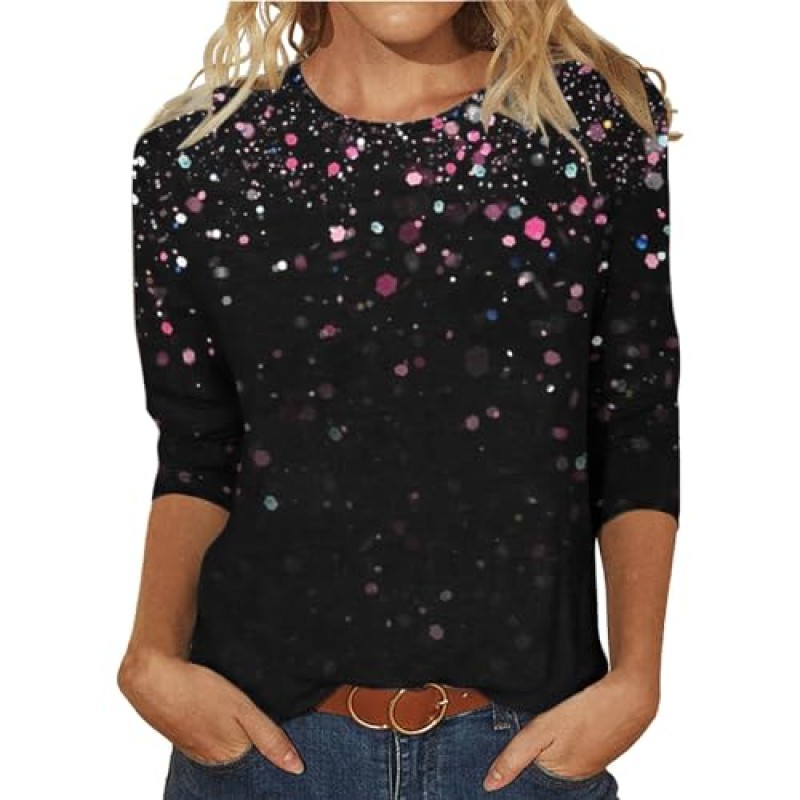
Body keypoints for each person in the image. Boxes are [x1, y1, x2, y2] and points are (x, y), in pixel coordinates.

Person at [118, 2, 681, 798]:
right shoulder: (197, 159)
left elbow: (634, 418)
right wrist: (150, 655)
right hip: (259, 752)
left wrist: (636, 679)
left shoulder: (589, 128)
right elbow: (198, 449)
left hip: (522, 752)